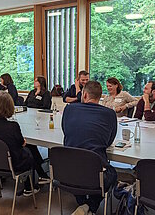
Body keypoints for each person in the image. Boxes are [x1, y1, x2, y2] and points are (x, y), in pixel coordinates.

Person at [62, 81, 117, 214]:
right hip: (95, 173)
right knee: (112, 174)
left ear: (84, 95)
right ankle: (90, 206)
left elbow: (66, 131)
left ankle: (83, 204)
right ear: (100, 96)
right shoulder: (110, 114)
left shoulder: (69, 109)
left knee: (81, 173)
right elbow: (108, 141)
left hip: (66, 172)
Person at [0, 91, 42, 197]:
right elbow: (21, 143)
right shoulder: (12, 126)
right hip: (13, 164)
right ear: (10, 107)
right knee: (29, 150)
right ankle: (29, 187)